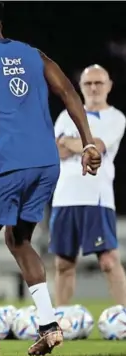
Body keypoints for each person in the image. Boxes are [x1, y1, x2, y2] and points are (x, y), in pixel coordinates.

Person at [0, 1, 102, 356]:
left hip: (9, 162)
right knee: (19, 239)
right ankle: (50, 325)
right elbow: (69, 93)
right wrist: (87, 143)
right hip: (46, 163)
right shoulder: (34, 54)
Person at [51, 65, 126, 306]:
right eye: (88, 83)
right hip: (64, 197)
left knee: (108, 260)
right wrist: (86, 143)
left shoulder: (115, 117)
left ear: (109, 86)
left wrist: (71, 142)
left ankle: (124, 317)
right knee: (63, 263)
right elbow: (55, 150)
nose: (94, 88)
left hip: (97, 196)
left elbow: (99, 146)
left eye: (99, 83)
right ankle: (59, 322)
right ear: (81, 87)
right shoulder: (66, 115)